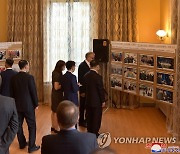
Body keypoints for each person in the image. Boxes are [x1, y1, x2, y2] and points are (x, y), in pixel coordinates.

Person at [10, 60, 40, 153]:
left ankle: (22, 143)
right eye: (28, 65)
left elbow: (12, 93)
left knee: (18, 125)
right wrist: (36, 104)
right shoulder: (29, 77)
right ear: (26, 66)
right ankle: (31, 146)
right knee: (31, 126)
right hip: (28, 105)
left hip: (17, 105)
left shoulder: (13, 78)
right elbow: (33, 92)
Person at [84, 60, 105, 137]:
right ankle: (95, 132)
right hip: (96, 101)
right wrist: (103, 100)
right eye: (98, 66)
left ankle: (89, 131)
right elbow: (100, 89)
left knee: (89, 116)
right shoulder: (98, 77)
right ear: (96, 66)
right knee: (96, 117)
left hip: (88, 100)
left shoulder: (86, 75)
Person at [78, 52, 95, 127]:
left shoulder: (90, 65)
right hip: (84, 89)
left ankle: (86, 120)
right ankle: (81, 121)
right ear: (88, 57)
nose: (93, 59)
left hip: (89, 89)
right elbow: (81, 79)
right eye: (92, 58)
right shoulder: (82, 65)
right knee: (82, 106)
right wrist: (82, 90)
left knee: (87, 105)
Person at [51, 60, 65, 133]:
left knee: (53, 111)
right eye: (63, 66)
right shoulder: (57, 74)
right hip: (57, 94)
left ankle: (53, 126)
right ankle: (56, 128)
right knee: (56, 111)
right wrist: (64, 84)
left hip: (55, 93)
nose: (64, 67)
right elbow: (56, 87)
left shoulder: (55, 72)